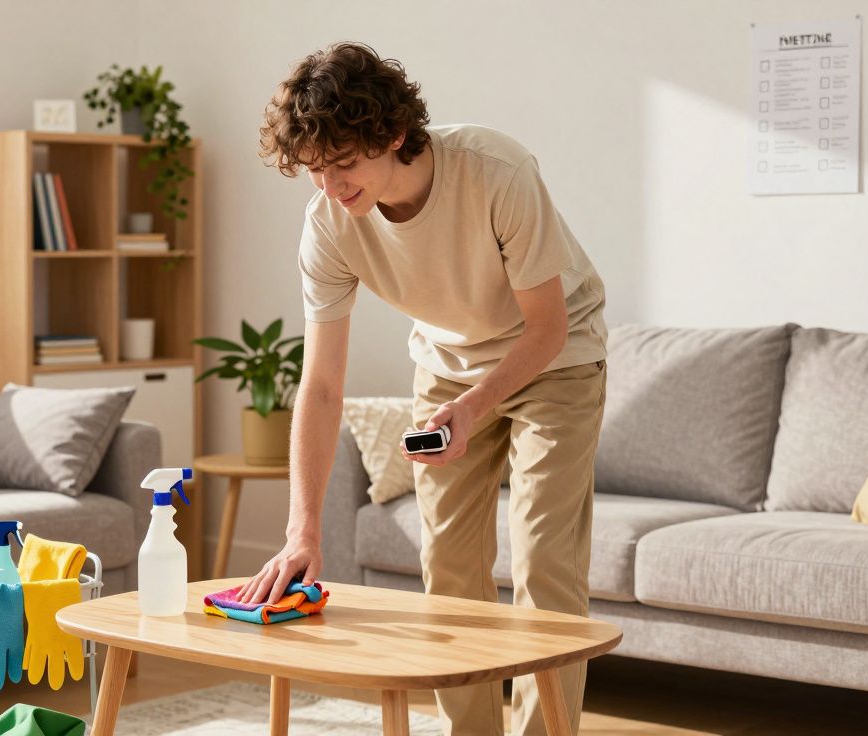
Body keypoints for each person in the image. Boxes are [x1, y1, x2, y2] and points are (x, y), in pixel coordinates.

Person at [238, 41, 608, 736]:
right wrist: (302, 530)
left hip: (553, 361)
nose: (330, 187)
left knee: (545, 557)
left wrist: (474, 407)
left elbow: (548, 327)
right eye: (315, 170)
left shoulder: (496, 170)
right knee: (446, 563)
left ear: (395, 134)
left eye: (344, 164)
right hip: (446, 366)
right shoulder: (328, 227)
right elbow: (320, 387)